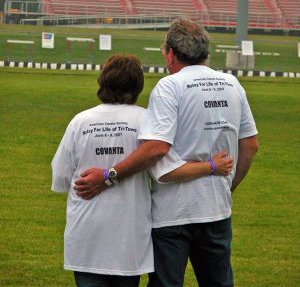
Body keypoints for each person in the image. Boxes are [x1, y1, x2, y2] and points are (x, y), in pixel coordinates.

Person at [75, 19, 259, 287]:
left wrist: (108, 174)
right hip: (217, 209)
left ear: (171, 53)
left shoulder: (170, 86)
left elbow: (156, 149)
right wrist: (227, 186)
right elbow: (251, 145)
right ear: (206, 52)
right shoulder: (232, 84)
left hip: (173, 214)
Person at [51, 53, 233, 287]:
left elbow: (61, 178)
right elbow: (169, 170)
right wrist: (211, 166)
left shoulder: (80, 121)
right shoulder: (146, 122)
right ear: (138, 86)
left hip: (86, 234)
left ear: (102, 81)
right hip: (129, 239)